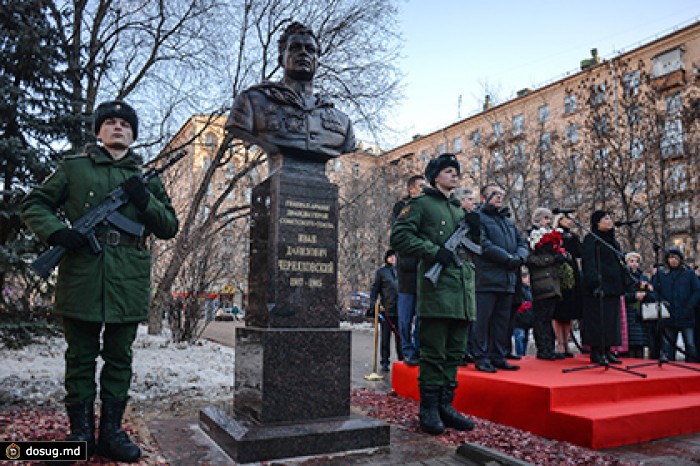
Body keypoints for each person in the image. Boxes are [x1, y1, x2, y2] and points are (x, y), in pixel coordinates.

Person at [20, 101, 179, 462]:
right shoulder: (74, 169)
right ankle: (80, 434)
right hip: (82, 273)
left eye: (125, 123)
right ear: (99, 130)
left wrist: (145, 201)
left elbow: (169, 226)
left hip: (129, 277)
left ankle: (110, 432)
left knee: (119, 357)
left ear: (133, 133)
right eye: (110, 122)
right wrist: (58, 233)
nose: (118, 127)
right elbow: (34, 203)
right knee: (79, 357)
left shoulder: (147, 178)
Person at [391, 153, 477, 435]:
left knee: (454, 353)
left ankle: (445, 406)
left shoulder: (458, 209)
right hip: (437, 289)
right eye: (449, 171)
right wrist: (434, 251)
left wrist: (476, 232)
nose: (455, 175)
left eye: (457, 172)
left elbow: (474, 250)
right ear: (435, 175)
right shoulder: (421, 204)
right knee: (433, 352)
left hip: (462, 290)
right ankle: (428, 408)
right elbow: (400, 237)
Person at [225, 22, 355, 162]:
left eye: (310, 49)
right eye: (295, 48)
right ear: (281, 59)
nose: (303, 52)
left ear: (317, 61)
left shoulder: (343, 122)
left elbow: (349, 148)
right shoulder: (252, 102)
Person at [471, 184, 529, 372]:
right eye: (494, 194)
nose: (499, 198)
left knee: (502, 321)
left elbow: (522, 242)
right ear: (483, 198)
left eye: (501, 195)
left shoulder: (508, 221)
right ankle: (481, 356)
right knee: (483, 321)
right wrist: (508, 258)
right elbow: (483, 244)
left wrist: (520, 257)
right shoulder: (478, 218)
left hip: (508, 279)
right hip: (486, 278)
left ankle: (498, 355)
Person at [580, 211, 626, 364]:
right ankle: (597, 352)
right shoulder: (591, 239)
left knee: (611, 321)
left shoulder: (612, 241)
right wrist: (594, 282)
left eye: (609, 218)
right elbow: (589, 262)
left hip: (613, 287)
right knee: (598, 320)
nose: (609, 221)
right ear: (597, 223)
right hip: (598, 287)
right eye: (605, 219)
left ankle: (608, 350)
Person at [392, 175, 427, 366]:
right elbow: (400, 236)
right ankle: (407, 350)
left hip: (424, 270)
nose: (424, 189)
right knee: (405, 318)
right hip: (407, 271)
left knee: (422, 316)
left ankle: (420, 349)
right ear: (411, 189)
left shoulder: (428, 207)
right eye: (421, 186)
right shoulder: (402, 207)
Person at [527, 207, 569, 360]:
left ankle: (550, 347)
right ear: (537, 219)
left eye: (550, 218)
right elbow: (530, 259)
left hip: (552, 281)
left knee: (548, 316)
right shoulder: (532, 236)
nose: (548, 221)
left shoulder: (551, 236)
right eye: (545, 218)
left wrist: (563, 255)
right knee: (541, 317)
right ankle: (543, 349)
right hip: (541, 281)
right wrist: (551, 259)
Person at [652, 248, 700, 362]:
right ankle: (670, 369)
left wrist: (690, 305)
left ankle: (692, 367)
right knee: (668, 345)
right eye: (671, 258)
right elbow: (654, 290)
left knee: (690, 344)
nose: (673, 260)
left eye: (676, 258)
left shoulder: (689, 274)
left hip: (686, 314)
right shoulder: (661, 274)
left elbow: (697, 290)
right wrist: (661, 302)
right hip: (668, 315)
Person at [552, 213, 583, 357]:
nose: (570, 222)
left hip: (572, 273)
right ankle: (560, 343)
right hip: (559, 273)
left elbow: (579, 253)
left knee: (569, 310)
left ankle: (567, 343)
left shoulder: (574, 236)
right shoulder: (554, 235)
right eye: (567, 219)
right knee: (559, 311)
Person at [369, 249, 403, 371]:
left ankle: (402, 359)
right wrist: (373, 305)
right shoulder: (382, 272)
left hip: (400, 310)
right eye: (391, 257)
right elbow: (374, 290)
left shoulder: (400, 271)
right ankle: (385, 361)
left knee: (401, 337)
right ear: (387, 258)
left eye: (395, 256)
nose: (393, 258)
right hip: (386, 310)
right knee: (385, 337)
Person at [623, 252, 654, 358]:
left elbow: (652, 294)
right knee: (630, 345)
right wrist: (634, 296)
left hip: (641, 314)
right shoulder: (624, 276)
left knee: (640, 344)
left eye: (636, 261)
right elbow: (621, 295)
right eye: (631, 261)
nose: (634, 264)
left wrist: (646, 293)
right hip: (628, 313)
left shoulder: (643, 277)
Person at [512, 267, 534, 356]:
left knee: (525, 337)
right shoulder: (520, 289)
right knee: (520, 337)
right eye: (525, 276)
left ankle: (523, 354)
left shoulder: (530, 289)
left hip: (527, 316)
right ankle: (520, 354)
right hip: (519, 317)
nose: (527, 279)